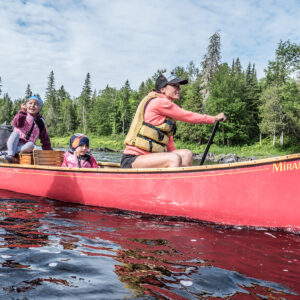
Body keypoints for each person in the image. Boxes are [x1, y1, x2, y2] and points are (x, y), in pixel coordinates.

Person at [121, 73, 226, 168]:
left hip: (152, 157)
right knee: (174, 158)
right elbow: (187, 116)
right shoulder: (159, 102)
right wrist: (213, 118)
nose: (179, 89)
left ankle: (182, 184)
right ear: (163, 89)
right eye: (174, 85)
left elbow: (169, 144)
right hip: (132, 159)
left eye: (179, 86)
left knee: (186, 154)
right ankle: (171, 188)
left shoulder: (167, 116)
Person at [4, 95, 52, 163]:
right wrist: (22, 111)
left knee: (32, 145)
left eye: (35, 104)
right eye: (30, 103)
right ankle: (10, 156)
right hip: (15, 142)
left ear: (39, 108)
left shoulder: (40, 122)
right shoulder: (23, 115)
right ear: (26, 106)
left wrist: (49, 151)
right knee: (14, 134)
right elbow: (16, 123)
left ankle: (10, 152)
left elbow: (45, 139)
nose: (32, 105)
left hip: (25, 146)